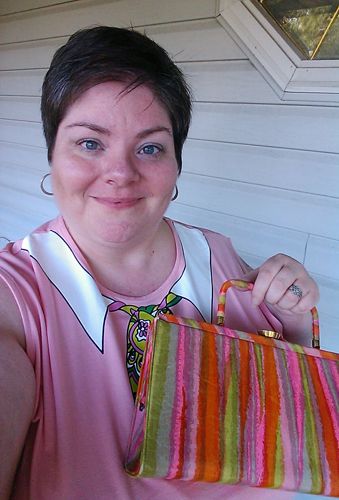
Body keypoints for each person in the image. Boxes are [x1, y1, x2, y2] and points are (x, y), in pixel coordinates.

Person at [0, 26, 319, 500]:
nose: (120, 174)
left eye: (149, 147)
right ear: (52, 154)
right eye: (90, 143)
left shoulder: (218, 256)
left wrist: (293, 318)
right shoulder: (18, 290)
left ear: (175, 167)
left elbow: (283, 399)